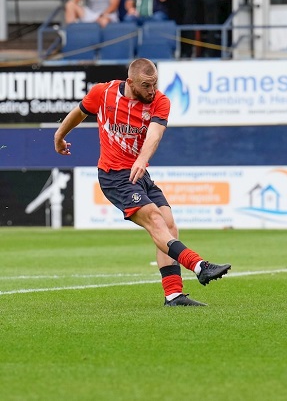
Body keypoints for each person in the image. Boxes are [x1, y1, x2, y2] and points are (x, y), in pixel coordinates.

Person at [53, 58, 231, 306]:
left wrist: (142, 160)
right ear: (130, 82)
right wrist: (59, 136)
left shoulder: (160, 101)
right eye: (146, 85)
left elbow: (155, 134)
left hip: (139, 174)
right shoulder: (102, 93)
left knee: (168, 226)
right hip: (114, 176)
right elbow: (79, 112)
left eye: (155, 84)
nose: (152, 90)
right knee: (155, 220)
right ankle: (199, 265)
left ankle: (174, 295)